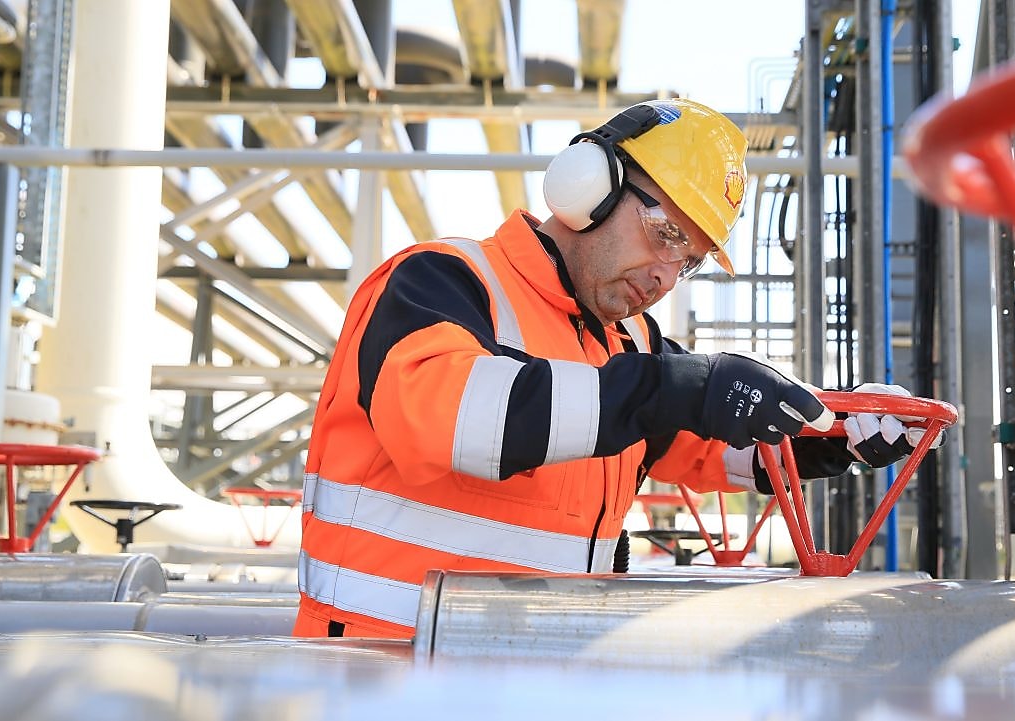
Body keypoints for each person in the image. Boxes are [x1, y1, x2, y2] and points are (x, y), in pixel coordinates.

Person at [294, 99, 936, 639]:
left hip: (535, 679)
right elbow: (453, 419)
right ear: (588, 186)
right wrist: (671, 387)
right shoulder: (443, 281)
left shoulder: (628, 344)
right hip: (375, 674)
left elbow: (708, 440)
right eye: (667, 235)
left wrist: (836, 433)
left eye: (689, 262)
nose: (665, 277)